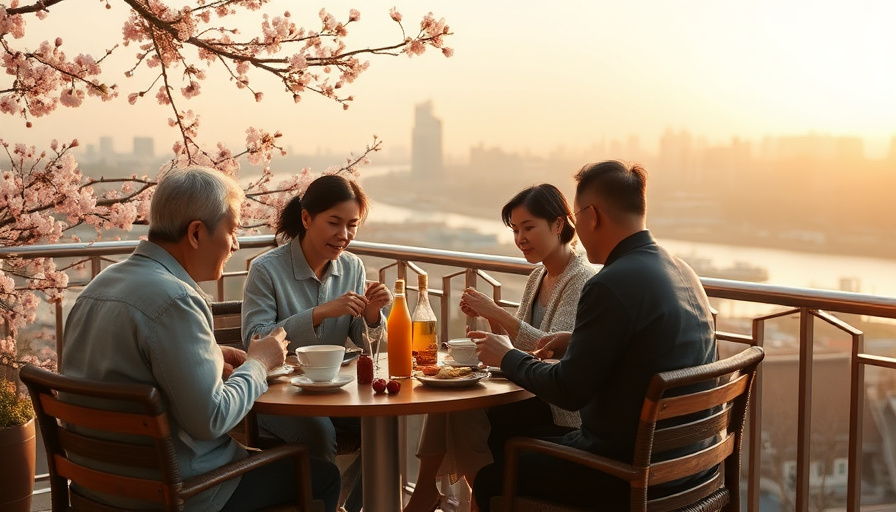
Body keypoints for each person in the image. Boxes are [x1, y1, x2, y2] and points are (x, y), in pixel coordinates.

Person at [61, 166, 341, 512]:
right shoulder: (177, 300)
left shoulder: (96, 289)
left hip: (100, 487)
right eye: (232, 231)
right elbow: (212, 420)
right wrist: (259, 362)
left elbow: (135, 366)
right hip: (184, 492)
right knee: (324, 476)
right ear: (196, 233)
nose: (235, 244)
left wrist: (212, 351)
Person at [470, 160, 718, 511]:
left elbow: (569, 391)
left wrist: (507, 356)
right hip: (693, 467)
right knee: (514, 434)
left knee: (493, 473)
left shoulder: (610, 284)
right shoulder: (681, 270)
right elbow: (647, 348)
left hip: (625, 474)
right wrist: (575, 339)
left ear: (592, 216)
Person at [403, 184, 596, 512]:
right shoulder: (538, 277)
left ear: (560, 224)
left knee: (458, 408)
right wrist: (490, 327)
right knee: (451, 398)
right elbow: (517, 345)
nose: (520, 238)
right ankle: (455, 497)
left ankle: (447, 497)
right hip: (527, 389)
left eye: (529, 228)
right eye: (516, 230)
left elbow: (548, 348)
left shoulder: (581, 278)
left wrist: (496, 313)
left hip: (555, 408)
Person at [241, 173, 391, 512]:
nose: (344, 236)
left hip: (337, 390)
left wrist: (371, 315)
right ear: (306, 218)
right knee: (318, 434)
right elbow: (256, 339)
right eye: (334, 223)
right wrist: (320, 313)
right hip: (278, 398)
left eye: (352, 225)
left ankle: (350, 507)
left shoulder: (352, 266)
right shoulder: (266, 270)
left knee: (387, 424)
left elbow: (363, 340)